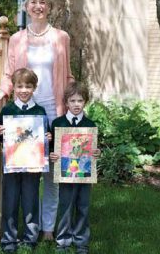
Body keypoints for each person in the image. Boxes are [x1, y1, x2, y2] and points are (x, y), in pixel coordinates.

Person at [0, 0, 74, 240]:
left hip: (52, 108)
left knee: (51, 174)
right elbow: (10, 76)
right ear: (26, 6)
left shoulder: (61, 37)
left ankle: (47, 229)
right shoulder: (16, 39)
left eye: (43, 2)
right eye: (33, 2)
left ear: (50, 7)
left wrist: (70, 110)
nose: (38, 6)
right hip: (25, 113)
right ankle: (20, 227)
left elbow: (66, 76)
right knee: (24, 169)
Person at [0, 68, 52, 253]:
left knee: (31, 201)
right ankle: (8, 240)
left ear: (34, 88)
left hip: (32, 166)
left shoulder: (40, 111)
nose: (24, 90)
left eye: (28, 86)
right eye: (20, 86)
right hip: (11, 165)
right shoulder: (7, 110)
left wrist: (47, 137)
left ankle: (30, 238)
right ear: (14, 88)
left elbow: (45, 136)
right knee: (10, 201)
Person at [49, 81, 101, 254]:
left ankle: (81, 242)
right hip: (65, 173)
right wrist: (53, 155)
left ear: (85, 102)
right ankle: (63, 240)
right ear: (66, 103)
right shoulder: (58, 124)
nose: (76, 104)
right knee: (65, 205)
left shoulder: (90, 125)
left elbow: (93, 150)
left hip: (84, 174)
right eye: (72, 101)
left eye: (80, 100)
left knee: (83, 206)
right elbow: (52, 150)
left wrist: (96, 153)